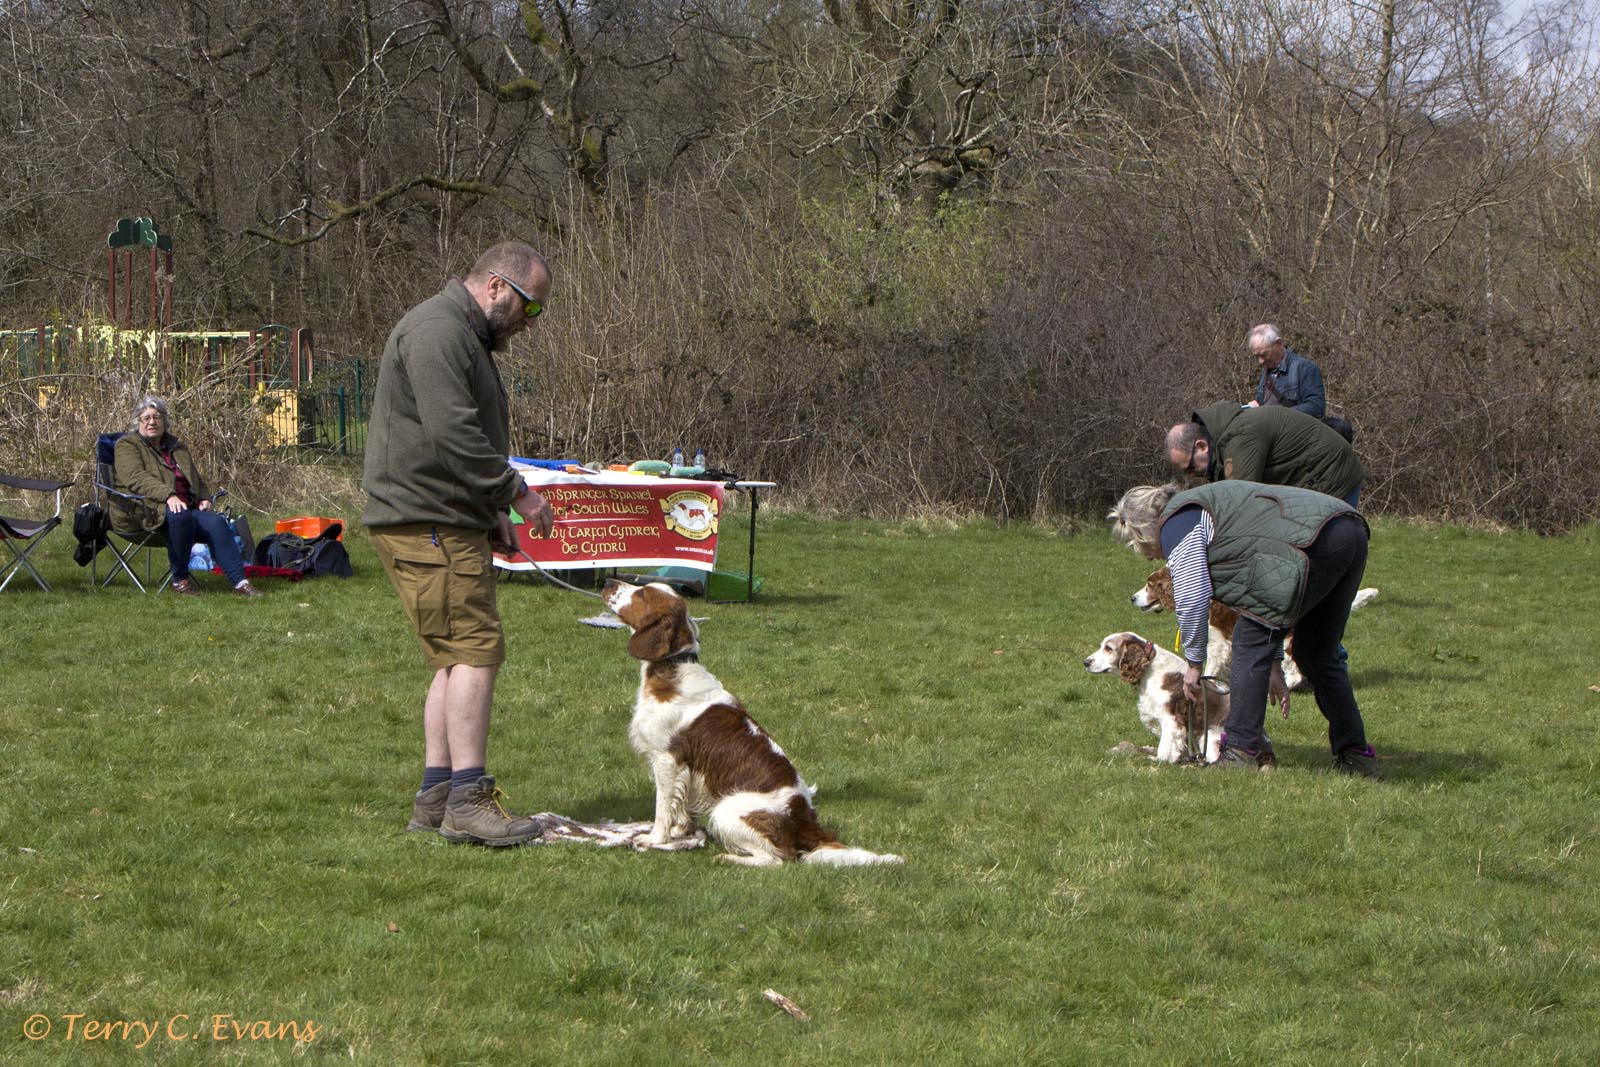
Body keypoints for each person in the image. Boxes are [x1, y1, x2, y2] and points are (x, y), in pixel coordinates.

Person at [363, 241, 557, 847]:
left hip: (443, 517)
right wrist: (516, 494)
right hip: (428, 521)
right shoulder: (438, 331)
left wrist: (487, 510)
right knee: (476, 649)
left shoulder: (460, 333)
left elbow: (458, 439)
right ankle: (468, 801)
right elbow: (454, 434)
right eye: (530, 307)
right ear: (497, 286)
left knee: (453, 655)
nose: (530, 323)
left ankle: (438, 795)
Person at [1110, 480, 1382, 778]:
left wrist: (1194, 664)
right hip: (1348, 531)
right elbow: (1260, 597)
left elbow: (1193, 596)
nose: (1148, 555)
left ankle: (1240, 751)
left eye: (1137, 543)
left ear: (1143, 528)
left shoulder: (1178, 523)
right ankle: (1355, 754)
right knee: (1316, 651)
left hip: (1311, 542)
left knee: (1247, 640)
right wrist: (1275, 661)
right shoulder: (1202, 506)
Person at [112, 396, 262, 598]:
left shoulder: (177, 447)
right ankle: (180, 580)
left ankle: (240, 583)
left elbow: (195, 478)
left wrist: (203, 498)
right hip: (145, 510)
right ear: (137, 422)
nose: (152, 422)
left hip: (186, 508)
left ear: (165, 421)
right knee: (179, 516)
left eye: (157, 417)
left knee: (216, 522)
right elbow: (135, 477)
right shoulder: (127, 446)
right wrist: (168, 495)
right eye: (146, 418)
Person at [1166, 400, 1363, 507]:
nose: (1193, 475)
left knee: (1317, 557)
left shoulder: (1240, 438)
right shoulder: (1225, 440)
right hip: (1317, 474)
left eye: (1191, 467)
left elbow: (1241, 501)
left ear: (1202, 446)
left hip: (1332, 474)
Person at [1244, 323, 1325, 418]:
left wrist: (1277, 415)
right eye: (1256, 356)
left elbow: (1316, 407)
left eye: (1263, 354)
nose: (1260, 361)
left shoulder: (1304, 368)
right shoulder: (1267, 371)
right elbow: (1263, 405)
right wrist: (1256, 407)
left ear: (1278, 343)